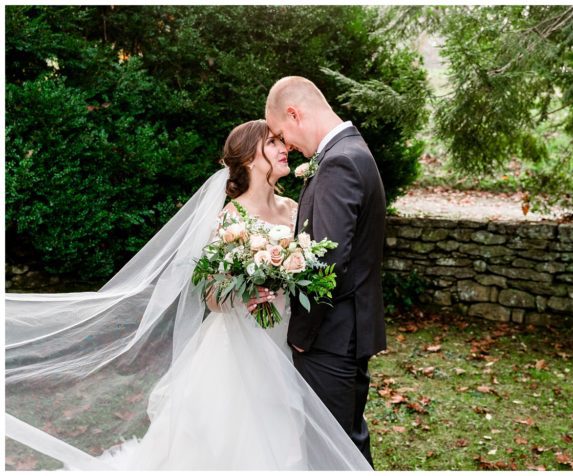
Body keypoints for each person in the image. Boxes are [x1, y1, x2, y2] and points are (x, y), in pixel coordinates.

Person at [4, 120, 372, 470]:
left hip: (286, 338)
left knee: (286, 427)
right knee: (236, 435)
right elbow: (212, 297)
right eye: (273, 142)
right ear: (248, 159)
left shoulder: (294, 208)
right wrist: (245, 293)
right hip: (241, 346)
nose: (284, 148)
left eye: (281, 141)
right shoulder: (231, 219)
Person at [265, 76, 388, 467]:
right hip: (347, 332)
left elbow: (328, 260)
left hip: (331, 337)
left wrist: (301, 335)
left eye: (283, 135)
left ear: (294, 114)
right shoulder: (352, 151)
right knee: (345, 444)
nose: (288, 147)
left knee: (330, 453)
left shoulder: (339, 162)